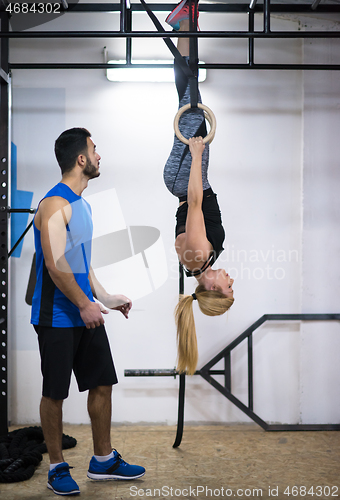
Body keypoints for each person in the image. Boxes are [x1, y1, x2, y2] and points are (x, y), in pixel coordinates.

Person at [31, 128, 145, 496]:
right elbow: (55, 264)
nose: (99, 156)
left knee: (101, 383)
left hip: (85, 309)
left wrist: (104, 296)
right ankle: (56, 467)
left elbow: (80, 262)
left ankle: (102, 460)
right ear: (81, 159)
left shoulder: (84, 205)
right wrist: (83, 304)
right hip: (58, 315)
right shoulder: (53, 204)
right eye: (95, 150)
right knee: (55, 393)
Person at [164, 1, 235, 375]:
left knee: (191, 102)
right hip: (191, 179)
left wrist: (195, 155)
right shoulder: (203, 262)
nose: (231, 280)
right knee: (190, 100)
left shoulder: (196, 260)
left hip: (186, 180)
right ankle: (186, 26)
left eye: (229, 288)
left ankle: (184, 24)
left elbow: (193, 205)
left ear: (213, 290)